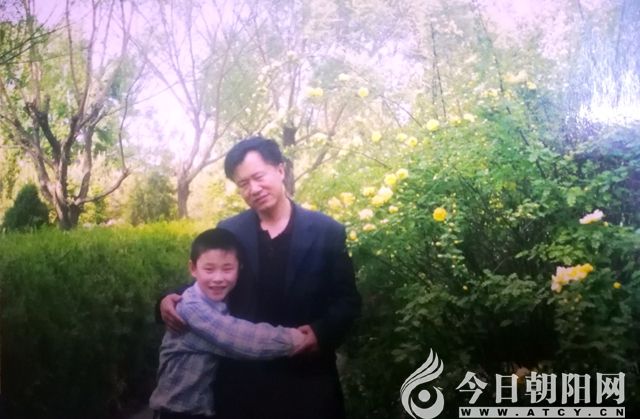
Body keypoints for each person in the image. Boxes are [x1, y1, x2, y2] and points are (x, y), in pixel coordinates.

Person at [160, 136, 361, 419]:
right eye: (243, 183)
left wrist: (320, 333)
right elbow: (211, 280)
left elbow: (347, 301)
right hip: (243, 381)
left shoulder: (326, 230)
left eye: (259, 177)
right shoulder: (231, 230)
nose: (253, 189)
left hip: (308, 379)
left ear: (280, 170)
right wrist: (168, 301)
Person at [150, 228, 307, 419]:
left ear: (240, 268)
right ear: (193, 268)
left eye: (227, 269)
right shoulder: (192, 310)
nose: (218, 278)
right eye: (209, 269)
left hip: (198, 408)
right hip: (177, 412)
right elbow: (243, 340)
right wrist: (295, 339)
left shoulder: (216, 301)